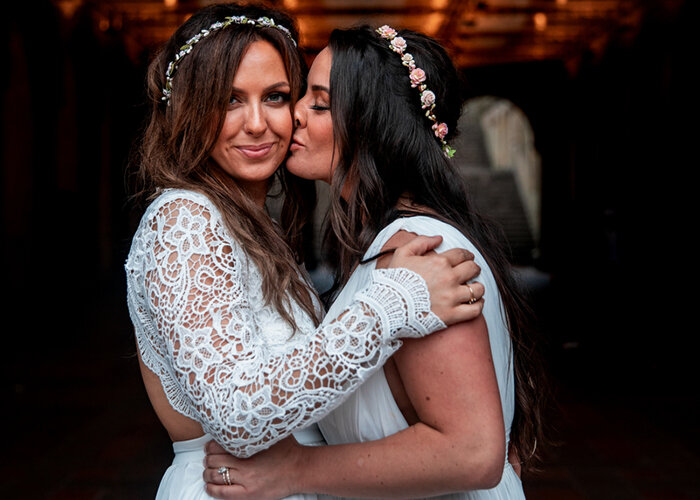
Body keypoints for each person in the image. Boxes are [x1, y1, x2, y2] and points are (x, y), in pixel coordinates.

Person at [125, 4, 486, 499]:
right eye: (229, 100)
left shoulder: (247, 224)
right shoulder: (184, 219)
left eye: (275, 97)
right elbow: (236, 413)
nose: (258, 123)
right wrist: (392, 306)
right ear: (189, 107)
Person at [203, 25, 549, 499]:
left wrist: (294, 469)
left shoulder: (420, 249)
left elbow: (473, 451)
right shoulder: (388, 243)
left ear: (375, 127)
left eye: (319, 104)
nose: (294, 116)